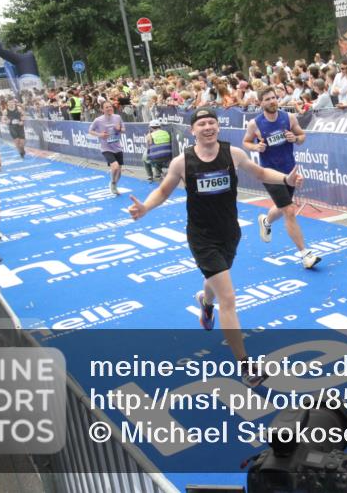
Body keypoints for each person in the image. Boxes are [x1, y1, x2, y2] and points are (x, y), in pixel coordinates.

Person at [128, 108, 304, 387]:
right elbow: (163, 191)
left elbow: (259, 172)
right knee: (229, 298)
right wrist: (145, 208)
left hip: (229, 232)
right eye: (201, 124)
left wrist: (285, 179)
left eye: (212, 122)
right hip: (202, 237)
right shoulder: (181, 162)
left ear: (218, 127)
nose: (208, 127)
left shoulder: (233, 154)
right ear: (192, 130)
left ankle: (205, 302)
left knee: (215, 279)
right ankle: (246, 366)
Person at [243, 88, 321, 270]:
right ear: (261, 103)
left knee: (282, 206)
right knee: (289, 210)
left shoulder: (289, 118)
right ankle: (305, 254)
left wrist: (295, 138)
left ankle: (266, 221)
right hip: (270, 173)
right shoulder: (255, 124)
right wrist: (256, 148)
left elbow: (302, 137)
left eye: (274, 98)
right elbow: (245, 142)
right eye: (268, 99)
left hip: (289, 171)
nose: (272, 101)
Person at [89, 101, 125, 195]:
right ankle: (113, 182)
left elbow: (123, 130)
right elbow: (90, 131)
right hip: (106, 148)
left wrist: (119, 129)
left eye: (110, 106)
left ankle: (115, 184)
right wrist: (100, 135)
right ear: (102, 109)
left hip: (117, 147)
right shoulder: (98, 120)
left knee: (119, 171)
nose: (109, 108)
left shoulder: (118, 117)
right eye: (106, 107)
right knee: (115, 166)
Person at [144, 119, 173, 183]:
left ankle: (150, 176)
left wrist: (149, 134)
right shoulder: (166, 133)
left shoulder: (150, 135)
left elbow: (147, 147)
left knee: (145, 158)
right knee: (157, 154)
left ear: (151, 127)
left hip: (156, 159)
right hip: (168, 157)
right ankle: (158, 173)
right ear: (160, 126)